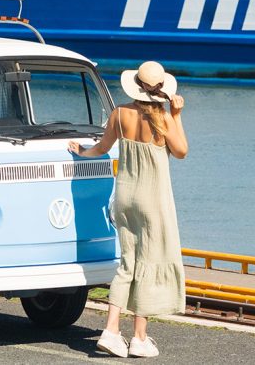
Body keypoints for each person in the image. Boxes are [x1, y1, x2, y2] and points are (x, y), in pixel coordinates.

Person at [69, 61, 189, 359]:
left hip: (124, 196)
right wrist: (177, 115)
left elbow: (100, 148)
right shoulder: (162, 119)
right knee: (148, 263)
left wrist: (79, 153)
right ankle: (139, 337)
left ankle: (110, 332)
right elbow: (182, 151)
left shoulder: (120, 114)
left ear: (135, 86)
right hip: (153, 201)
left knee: (127, 264)